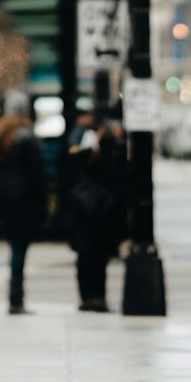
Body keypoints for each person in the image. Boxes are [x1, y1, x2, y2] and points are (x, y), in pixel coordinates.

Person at [0, 104, 48, 314]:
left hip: (4, 199)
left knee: (15, 246)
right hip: (23, 199)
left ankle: (15, 297)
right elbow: (36, 173)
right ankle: (16, 299)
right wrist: (43, 202)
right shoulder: (26, 139)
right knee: (20, 249)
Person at [66, 120, 129, 313]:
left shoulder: (87, 159)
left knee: (86, 259)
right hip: (104, 218)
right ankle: (98, 297)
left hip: (86, 217)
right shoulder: (116, 163)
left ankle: (87, 298)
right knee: (99, 261)